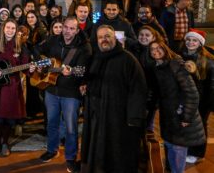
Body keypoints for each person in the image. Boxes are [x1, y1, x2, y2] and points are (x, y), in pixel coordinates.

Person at [81, 25, 148, 173]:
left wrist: (134, 119)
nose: (104, 40)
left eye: (107, 36)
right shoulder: (95, 57)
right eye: (100, 37)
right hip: (96, 116)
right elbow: (91, 79)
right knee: (97, 148)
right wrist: (85, 86)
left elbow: (138, 90)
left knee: (116, 153)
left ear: (115, 38)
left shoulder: (128, 59)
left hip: (118, 118)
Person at [33, 17, 91, 172]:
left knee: (71, 127)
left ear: (77, 30)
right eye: (66, 27)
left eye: (72, 29)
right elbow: (37, 49)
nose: (67, 31)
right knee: (51, 123)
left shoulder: (84, 47)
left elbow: (83, 71)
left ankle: (71, 157)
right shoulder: (53, 40)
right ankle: (52, 150)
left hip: (70, 93)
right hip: (51, 89)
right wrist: (41, 64)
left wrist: (71, 73)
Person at [150, 41, 206, 173]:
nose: (155, 51)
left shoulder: (175, 64)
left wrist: (186, 117)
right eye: (152, 49)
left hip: (181, 117)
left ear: (165, 49)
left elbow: (192, 93)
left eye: (158, 47)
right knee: (170, 147)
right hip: (169, 117)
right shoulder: (158, 67)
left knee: (178, 151)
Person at [0, 19, 29, 157]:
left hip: (13, 86)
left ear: (16, 30)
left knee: (9, 116)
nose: (10, 30)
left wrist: (32, 67)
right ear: (3, 28)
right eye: (8, 28)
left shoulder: (21, 46)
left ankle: (5, 142)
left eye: (13, 28)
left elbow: (26, 67)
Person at [180, 29, 214, 163]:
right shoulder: (180, 55)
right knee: (186, 125)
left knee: (199, 127)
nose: (190, 43)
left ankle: (197, 152)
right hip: (185, 98)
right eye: (188, 40)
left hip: (202, 101)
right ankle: (186, 148)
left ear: (200, 43)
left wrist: (208, 104)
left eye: (194, 40)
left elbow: (211, 86)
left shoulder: (209, 61)